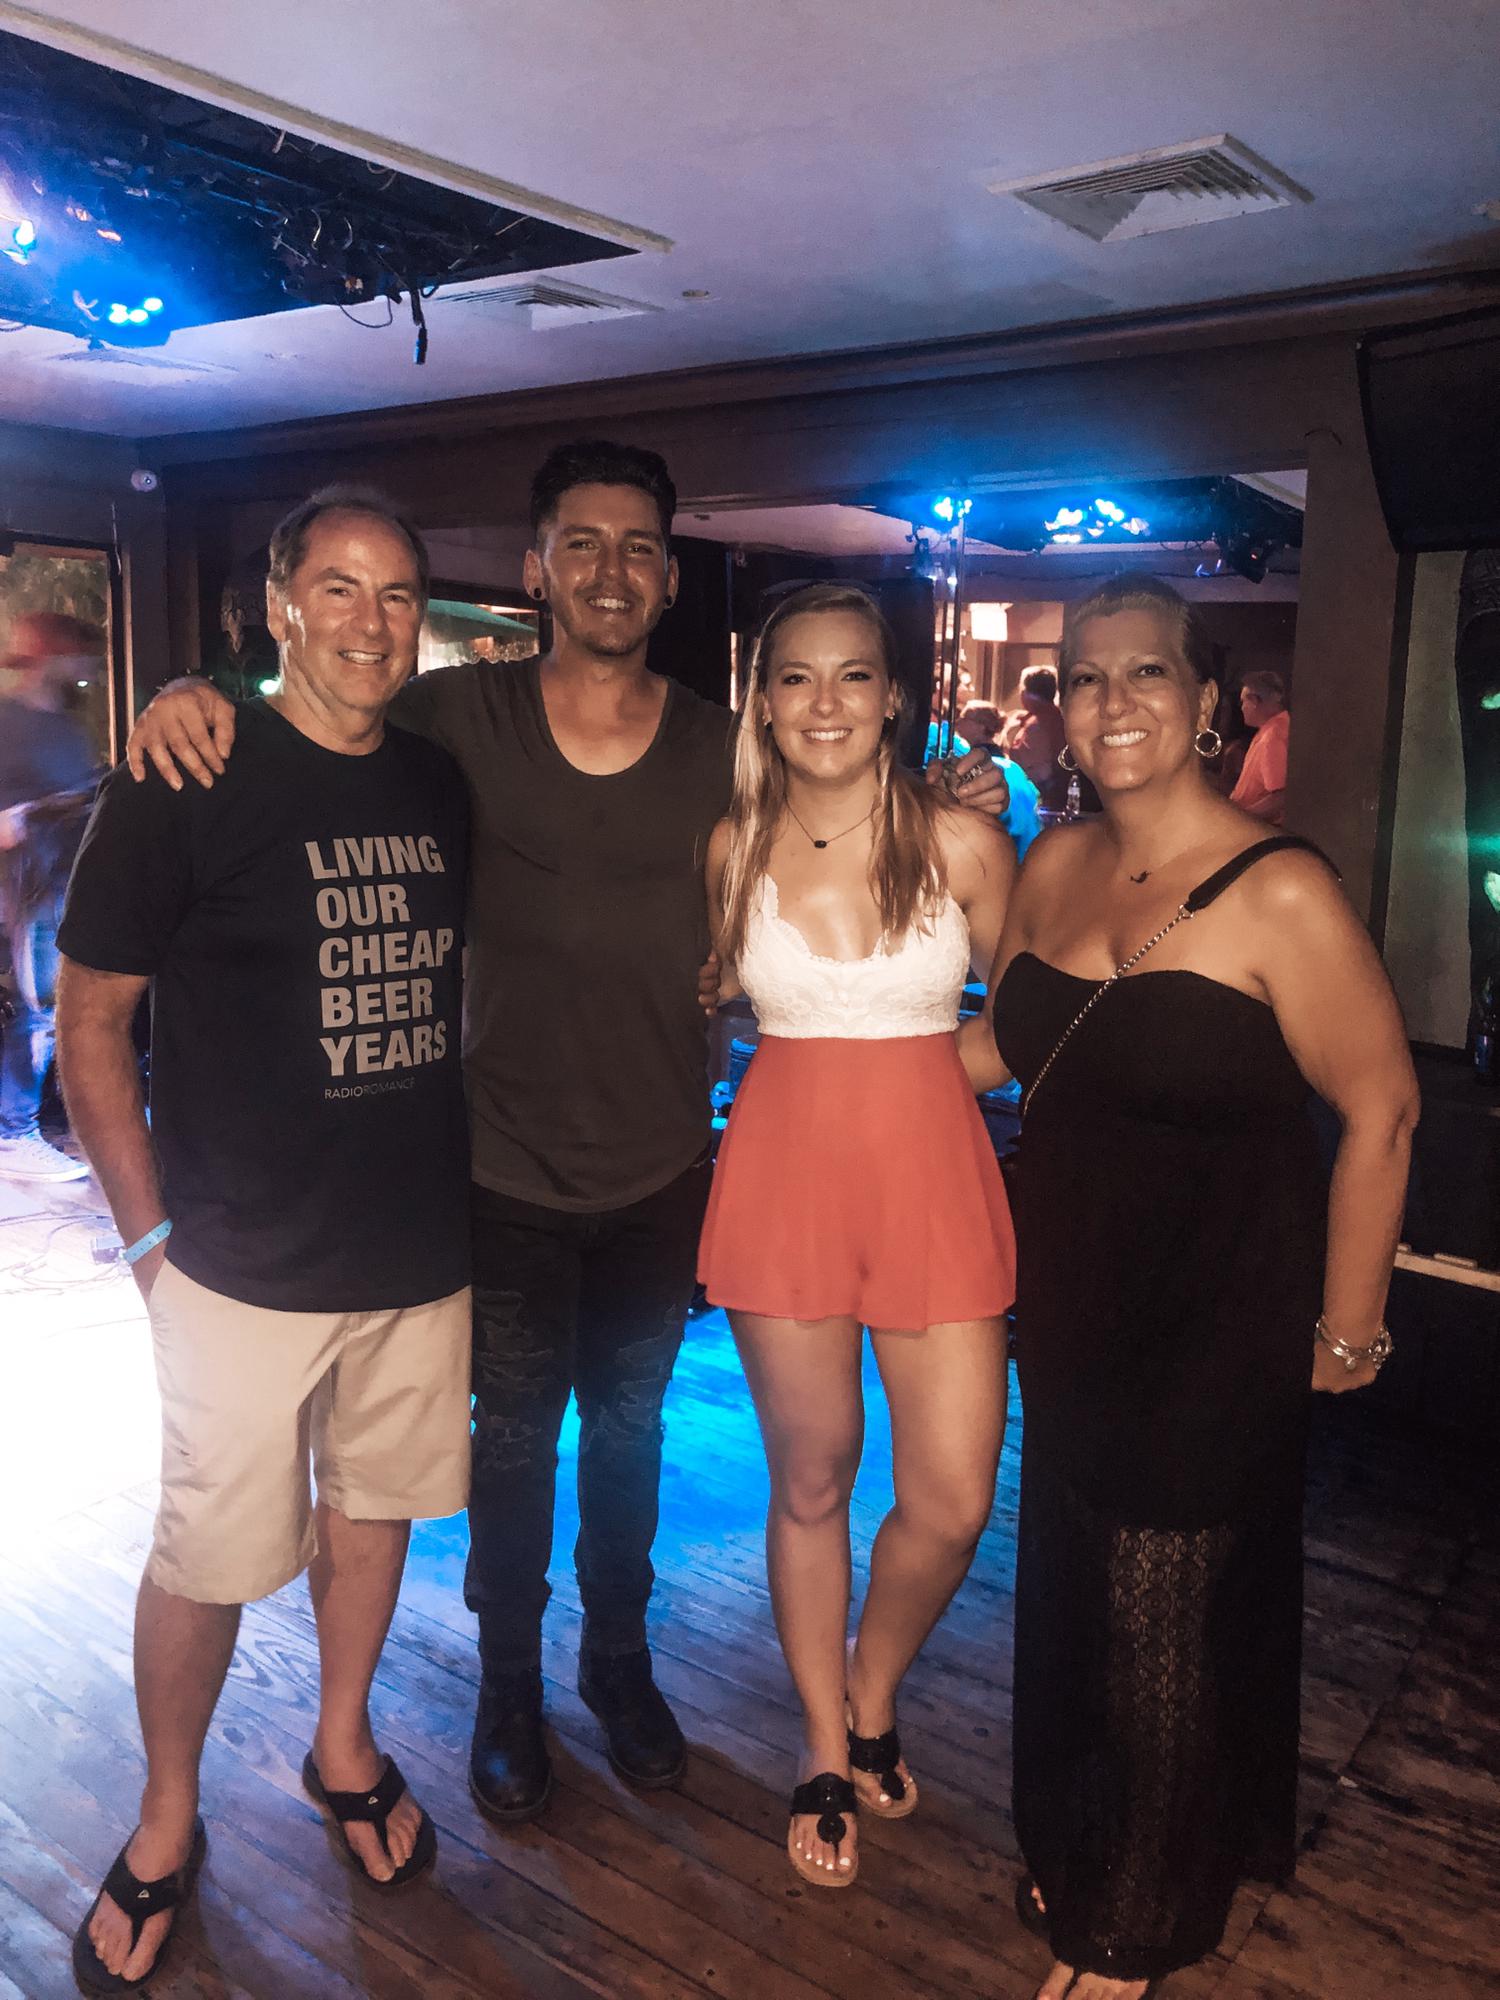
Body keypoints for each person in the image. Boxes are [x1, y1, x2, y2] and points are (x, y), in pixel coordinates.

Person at [124, 437, 1017, 1827]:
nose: (611, 570)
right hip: (495, 1159)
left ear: (669, 579)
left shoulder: (727, 746)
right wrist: (198, 690)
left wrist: (954, 788)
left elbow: (841, 793)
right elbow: (324, 702)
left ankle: (619, 1662)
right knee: (510, 1445)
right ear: (537, 567)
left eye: (639, 547)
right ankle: (507, 1690)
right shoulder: (454, 716)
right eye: (581, 544)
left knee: (631, 1435)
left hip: (663, 1159)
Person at [962, 573, 1418, 1999]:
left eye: (1146, 672)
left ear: (1206, 700)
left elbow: (1385, 1107)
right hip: (1073, 1303)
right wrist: (825, 1053)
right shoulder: (1051, 864)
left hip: (1222, 1312)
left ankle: (1138, 1923)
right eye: (1087, 676)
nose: (1112, 702)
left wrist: (1350, 1326)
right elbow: (1013, 1046)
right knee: (1073, 1589)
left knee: (1162, 1609)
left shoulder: (1279, 888)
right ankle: (1081, 1836)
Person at [56, 490, 472, 1993]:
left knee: (375, 1510)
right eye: (339, 588)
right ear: (281, 606)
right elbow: (88, 1022)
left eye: (398, 593)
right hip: (231, 1265)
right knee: (209, 1556)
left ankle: (342, 1745)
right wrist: (148, 1242)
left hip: (415, 1248)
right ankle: (168, 1816)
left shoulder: (437, 780)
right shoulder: (186, 772)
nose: (371, 620)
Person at [699, 583, 1017, 1888]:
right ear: (764, 702)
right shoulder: (731, 848)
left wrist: (927, 1075)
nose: (824, 702)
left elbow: (1035, 1016)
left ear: (894, 698)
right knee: (813, 1476)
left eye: (852, 676)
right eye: (796, 677)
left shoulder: (967, 843)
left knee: (952, 1497)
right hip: (784, 1178)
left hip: (933, 1171)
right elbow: (719, 1004)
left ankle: (873, 1679)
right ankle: (827, 1741)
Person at [0, 611, 102, 1182]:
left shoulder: (67, 728)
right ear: (51, 654)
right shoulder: (6, 721)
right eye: (78, 655)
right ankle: (13, 1133)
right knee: (37, 1009)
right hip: (26, 888)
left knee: (60, 1007)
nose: (85, 667)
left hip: (68, 883)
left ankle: (45, 1123)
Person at [963, 700, 1042, 858]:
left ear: (981, 726)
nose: (958, 722)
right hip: (1030, 852)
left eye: (965, 718)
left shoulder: (980, 770)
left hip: (1006, 855)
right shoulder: (1013, 767)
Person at [999, 664, 1069, 810]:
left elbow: (1038, 771)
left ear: (1025, 692)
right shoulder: (1059, 718)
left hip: (1040, 802)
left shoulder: (1036, 726)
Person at [1230, 669, 1291, 824]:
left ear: (1255, 701)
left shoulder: (1273, 736)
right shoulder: (1273, 729)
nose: (1242, 708)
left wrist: (1239, 819)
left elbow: (1280, 797)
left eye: (1243, 702)